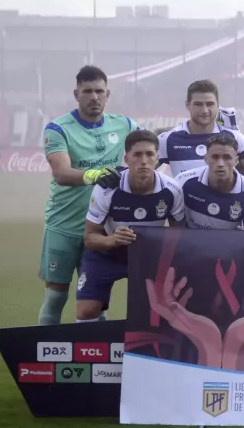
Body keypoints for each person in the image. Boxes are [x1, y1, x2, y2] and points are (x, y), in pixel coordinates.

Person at [37, 65, 142, 325]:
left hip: (99, 229)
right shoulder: (58, 128)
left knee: (96, 303)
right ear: (76, 94)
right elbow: (62, 173)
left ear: (108, 94)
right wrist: (95, 175)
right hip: (64, 226)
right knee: (55, 298)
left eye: (99, 91)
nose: (94, 97)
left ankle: (97, 351)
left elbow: (151, 146)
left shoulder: (125, 125)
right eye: (87, 91)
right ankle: (45, 349)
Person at [76, 130, 185, 322]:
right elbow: (89, 238)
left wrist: (160, 247)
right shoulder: (107, 188)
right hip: (107, 255)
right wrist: (113, 240)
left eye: (149, 154)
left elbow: (179, 234)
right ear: (126, 158)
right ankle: (94, 340)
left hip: (148, 256)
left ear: (157, 157)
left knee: (155, 311)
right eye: (137, 155)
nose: (144, 161)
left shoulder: (172, 190)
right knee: (86, 311)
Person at [157, 80, 244, 179]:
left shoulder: (234, 137)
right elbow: (145, 170)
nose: (204, 110)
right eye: (198, 104)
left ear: (218, 105)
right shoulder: (168, 139)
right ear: (187, 105)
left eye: (210, 104)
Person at [175, 132, 244, 230]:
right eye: (215, 157)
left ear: (236, 161)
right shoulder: (183, 181)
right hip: (190, 239)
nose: (220, 164)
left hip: (229, 240)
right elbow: (174, 224)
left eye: (227, 157)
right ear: (206, 159)